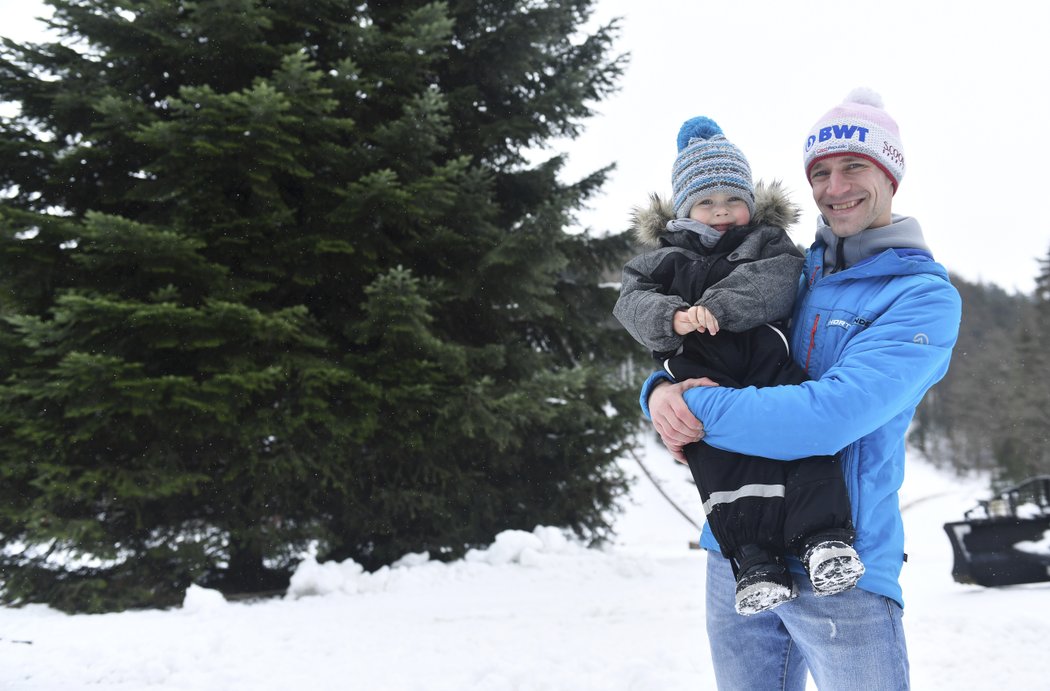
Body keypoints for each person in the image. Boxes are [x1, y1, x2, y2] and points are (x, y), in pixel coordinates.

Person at [641, 89, 962, 690]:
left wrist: (690, 404)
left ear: (891, 173)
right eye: (820, 172)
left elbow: (827, 418)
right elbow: (707, 347)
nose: (834, 187)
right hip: (737, 549)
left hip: (842, 563)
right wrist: (658, 390)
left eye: (854, 168)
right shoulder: (784, 269)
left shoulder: (920, 297)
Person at [613, 116, 864, 617]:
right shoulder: (661, 260)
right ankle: (754, 559)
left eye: (733, 201)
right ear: (685, 209)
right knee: (720, 460)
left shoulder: (766, 242)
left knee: (804, 444)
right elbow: (631, 305)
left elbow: (775, 282)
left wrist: (719, 308)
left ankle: (825, 537)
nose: (722, 213)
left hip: (765, 361)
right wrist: (674, 317)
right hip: (702, 372)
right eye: (706, 202)